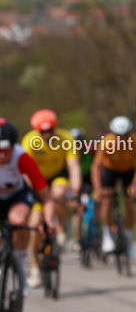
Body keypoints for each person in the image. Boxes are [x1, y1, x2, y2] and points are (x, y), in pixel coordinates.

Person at [21, 109, 81, 286]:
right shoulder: (29, 141)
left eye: (50, 131)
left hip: (57, 176)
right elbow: (24, 172)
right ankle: (35, 269)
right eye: (43, 132)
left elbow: (74, 166)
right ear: (37, 131)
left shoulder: (65, 138)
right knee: (34, 226)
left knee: (60, 193)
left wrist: (75, 188)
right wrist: (33, 192)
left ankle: (62, 230)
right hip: (36, 181)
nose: (47, 135)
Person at [0, 118, 57, 296]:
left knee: (19, 221)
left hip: (16, 196)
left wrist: (49, 221)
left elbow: (47, 198)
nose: (2, 155)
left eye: (6, 150)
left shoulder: (22, 157)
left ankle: (20, 266)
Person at [94, 115, 136, 258]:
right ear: (113, 134)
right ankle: (107, 235)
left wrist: (135, 185)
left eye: (126, 135)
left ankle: (128, 238)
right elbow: (96, 167)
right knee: (107, 200)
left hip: (128, 171)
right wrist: (98, 189)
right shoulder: (107, 142)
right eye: (119, 136)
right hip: (110, 171)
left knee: (130, 202)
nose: (122, 139)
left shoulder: (135, 141)